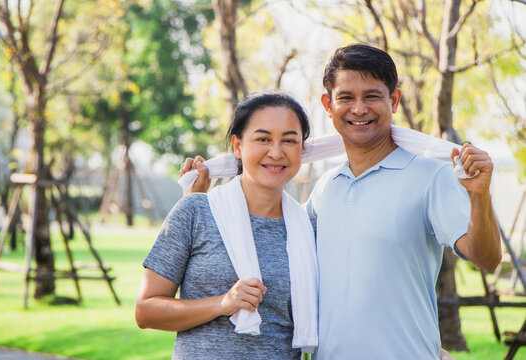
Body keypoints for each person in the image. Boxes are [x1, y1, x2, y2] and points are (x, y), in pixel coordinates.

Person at [182, 44, 502, 360]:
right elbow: (267, 249)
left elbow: (486, 258)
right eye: (346, 97)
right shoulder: (325, 188)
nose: (358, 109)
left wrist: (479, 196)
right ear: (328, 105)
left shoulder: (433, 176)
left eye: (372, 96)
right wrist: (195, 200)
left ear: (394, 100)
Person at [135, 92, 318, 360]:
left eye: (289, 140)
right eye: (263, 138)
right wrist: (222, 303)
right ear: (238, 145)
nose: (276, 152)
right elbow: (146, 310)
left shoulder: (308, 229)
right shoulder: (195, 212)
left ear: (301, 149)